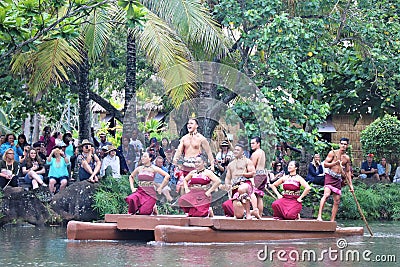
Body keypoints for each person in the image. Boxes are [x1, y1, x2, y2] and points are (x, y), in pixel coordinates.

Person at [317, 138, 354, 221]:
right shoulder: (333, 153)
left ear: (347, 146)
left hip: (338, 179)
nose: (343, 146)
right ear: (339, 144)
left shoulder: (346, 158)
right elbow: (325, 164)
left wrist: (351, 185)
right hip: (330, 176)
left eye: (345, 144)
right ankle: (319, 216)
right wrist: (335, 163)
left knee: (337, 200)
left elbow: (348, 171)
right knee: (326, 194)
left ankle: (332, 220)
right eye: (342, 144)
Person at [220, 144, 261, 219]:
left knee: (242, 189)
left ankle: (248, 214)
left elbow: (253, 173)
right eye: (235, 150)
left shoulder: (247, 161)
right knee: (239, 215)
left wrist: (243, 174)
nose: (235, 151)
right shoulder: (230, 164)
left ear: (242, 152)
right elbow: (228, 178)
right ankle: (253, 212)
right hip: (235, 186)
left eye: (238, 150)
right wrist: (227, 184)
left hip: (245, 184)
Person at [250, 136, 269, 215]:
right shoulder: (262, 152)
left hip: (257, 175)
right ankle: (260, 215)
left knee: (251, 192)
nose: (251, 145)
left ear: (258, 144)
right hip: (263, 174)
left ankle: (255, 210)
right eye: (251, 143)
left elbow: (252, 167)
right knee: (259, 195)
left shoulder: (255, 154)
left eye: (253, 143)